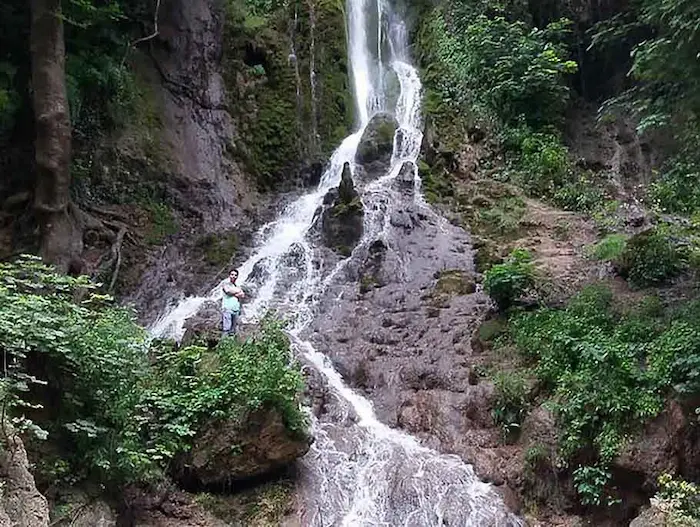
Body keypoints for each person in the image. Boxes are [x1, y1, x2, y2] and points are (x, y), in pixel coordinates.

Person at [221, 269, 245, 338]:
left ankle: (230, 346)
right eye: (232, 274)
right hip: (227, 308)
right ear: (229, 276)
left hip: (236, 310)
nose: (233, 276)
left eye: (235, 275)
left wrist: (234, 292)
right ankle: (223, 345)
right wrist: (237, 292)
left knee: (233, 330)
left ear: (237, 277)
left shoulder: (238, 286)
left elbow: (242, 295)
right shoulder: (225, 284)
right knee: (226, 328)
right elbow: (227, 291)